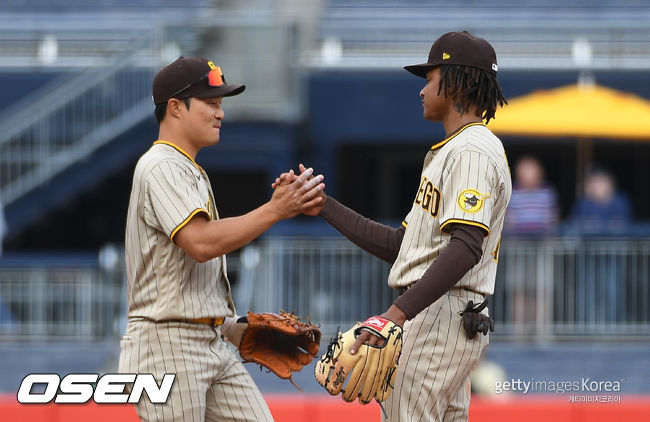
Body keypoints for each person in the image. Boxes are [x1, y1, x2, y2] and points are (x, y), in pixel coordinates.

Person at [277, 31, 510, 421]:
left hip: (437, 315)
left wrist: (395, 315)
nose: (421, 91)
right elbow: (401, 245)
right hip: (445, 314)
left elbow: (467, 246)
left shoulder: (472, 151)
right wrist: (324, 206)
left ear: (455, 82)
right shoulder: (455, 150)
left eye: (430, 79)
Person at [118, 57, 325, 422]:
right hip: (167, 345)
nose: (221, 113)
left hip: (209, 341)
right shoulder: (161, 165)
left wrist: (230, 326)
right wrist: (275, 209)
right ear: (176, 108)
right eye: (211, 103)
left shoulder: (189, 169)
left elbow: (187, 275)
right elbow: (200, 243)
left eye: (220, 103)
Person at [565, 166, 632, 236]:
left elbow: (623, 225)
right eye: (594, 182)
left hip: (615, 243)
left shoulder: (620, 202)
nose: (598, 186)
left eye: (601, 182)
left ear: (611, 184)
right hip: (589, 243)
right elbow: (574, 224)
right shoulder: (583, 203)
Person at [504, 155, 559, 236]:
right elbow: (509, 220)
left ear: (539, 173)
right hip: (518, 236)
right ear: (518, 174)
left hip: (542, 235)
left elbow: (552, 219)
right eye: (525, 171)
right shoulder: (512, 191)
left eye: (532, 171)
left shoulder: (547, 191)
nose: (529, 176)